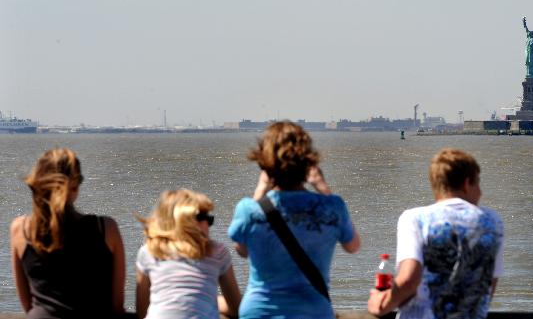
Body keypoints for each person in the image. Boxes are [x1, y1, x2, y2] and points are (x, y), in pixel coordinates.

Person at [228, 121, 361, 319]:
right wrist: (323, 187)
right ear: (308, 163)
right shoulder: (332, 207)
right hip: (313, 312)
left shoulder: (249, 209)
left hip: (260, 311)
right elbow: (353, 246)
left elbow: (242, 249)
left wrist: (260, 190)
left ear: (266, 164)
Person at [368, 148, 504, 319]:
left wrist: (380, 304)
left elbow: (409, 280)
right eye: (478, 184)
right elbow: (488, 285)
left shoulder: (415, 218)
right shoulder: (492, 222)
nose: (480, 192)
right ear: (466, 183)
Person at [10, 148, 127, 319]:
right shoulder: (106, 228)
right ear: (74, 187)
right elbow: (117, 305)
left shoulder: (20, 229)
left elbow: (27, 304)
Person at [136, 189, 241, 319]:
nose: (209, 224)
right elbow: (236, 308)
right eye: (205, 218)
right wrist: (206, 300)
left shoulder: (149, 251)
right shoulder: (217, 252)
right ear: (185, 222)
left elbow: (142, 311)